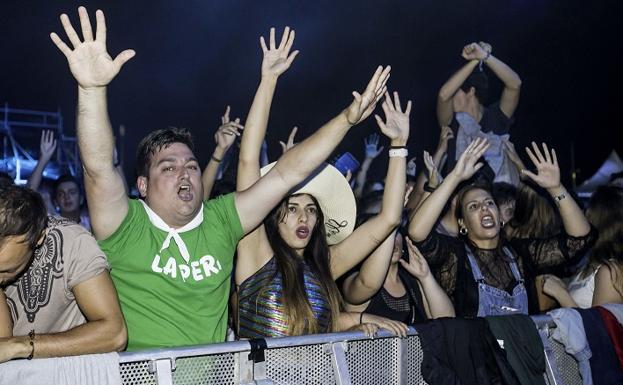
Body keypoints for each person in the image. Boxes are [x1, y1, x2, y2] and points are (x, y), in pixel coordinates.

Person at [50, 8, 389, 350]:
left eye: (191, 165)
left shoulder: (221, 220)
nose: (184, 173)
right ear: (142, 186)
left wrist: (347, 119)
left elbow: (289, 172)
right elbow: (98, 168)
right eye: (168, 167)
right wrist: (91, 90)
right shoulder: (125, 224)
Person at [232, 25, 405, 338]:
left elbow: (390, 218)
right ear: (274, 215)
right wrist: (268, 80)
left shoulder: (326, 265)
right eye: (293, 207)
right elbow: (247, 161)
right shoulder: (255, 254)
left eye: (311, 209)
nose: (303, 217)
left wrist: (398, 145)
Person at [408, 139, 595, 316]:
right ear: (462, 223)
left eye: (489, 203)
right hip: (476, 350)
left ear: (499, 217)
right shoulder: (455, 255)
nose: (484, 208)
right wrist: (455, 177)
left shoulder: (521, 252)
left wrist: (556, 188)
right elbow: (417, 232)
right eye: (473, 206)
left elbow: (578, 240)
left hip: (521, 348)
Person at [0, 184, 126, 362]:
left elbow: (114, 333)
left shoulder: (72, 242)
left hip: (70, 374)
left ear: (38, 238)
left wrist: (20, 346)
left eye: (6, 270)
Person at [437, 42, 522, 184]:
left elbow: (515, 84)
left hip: (499, 198)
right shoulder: (452, 123)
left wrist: (485, 56)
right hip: (461, 198)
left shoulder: (496, 116)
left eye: (455, 92)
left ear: (471, 91)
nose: (451, 98)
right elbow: (443, 95)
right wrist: (475, 61)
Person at [342, 230, 454, 324]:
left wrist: (425, 277)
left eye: (396, 233)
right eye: (386, 234)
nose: (393, 242)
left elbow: (448, 321)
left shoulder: (411, 280)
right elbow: (368, 284)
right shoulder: (354, 280)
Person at [542, 185, 623, 308]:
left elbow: (600, 326)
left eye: (588, 208)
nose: (584, 213)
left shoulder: (611, 273)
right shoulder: (592, 261)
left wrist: (561, 294)